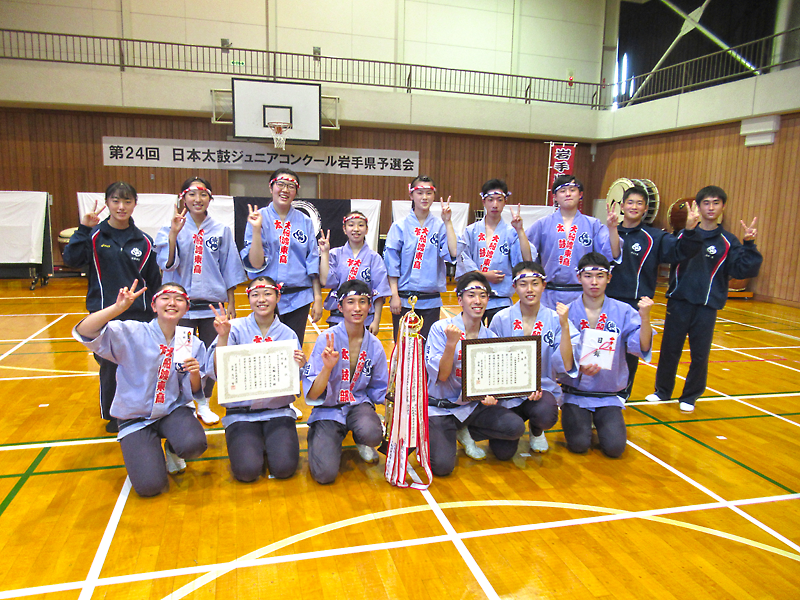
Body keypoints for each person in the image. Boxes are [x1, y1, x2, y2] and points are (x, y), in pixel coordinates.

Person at [72, 281, 209, 497]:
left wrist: (194, 373)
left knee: (194, 443)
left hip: (171, 411)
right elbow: (85, 331)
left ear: (186, 308)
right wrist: (117, 308)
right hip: (135, 417)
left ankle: (173, 448)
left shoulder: (190, 342)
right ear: (154, 306)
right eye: (165, 298)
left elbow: (194, 391)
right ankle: (146, 452)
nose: (172, 303)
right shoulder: (132, 331)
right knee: (150, 487)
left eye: (179, 299)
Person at [646, 186, 762, 412]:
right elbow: (668, 255)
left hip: (707, 306)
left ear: (723, 207)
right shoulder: (683, 235)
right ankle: (662, 391)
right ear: (698, 207)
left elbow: (742, 270)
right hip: (678, 302)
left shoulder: (728, 241)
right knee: (670, 349)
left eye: (715, 203)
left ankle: (690, 396)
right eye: (706, 203)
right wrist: (689, 230)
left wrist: (749, 244)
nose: (711, 207)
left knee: (700, 354)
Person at [63, 181, 162, 433]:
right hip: (105, 315)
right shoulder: (94, 235)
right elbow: (71, 260)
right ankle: (114, 416)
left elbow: (154, 281)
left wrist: (156, 312)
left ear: (135, 204)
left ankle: (144, 410)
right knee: (110, 367)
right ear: (107, 202)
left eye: (127, 201)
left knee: (141, 365)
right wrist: (83, 228)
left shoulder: (145, 241)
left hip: (139, 315)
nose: (121, 206)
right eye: (116, 201)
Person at [156, 177, 246, 425]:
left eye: (203, 194)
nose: (197, 199)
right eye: (192, 194)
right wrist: (173, 234)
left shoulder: (221, 230)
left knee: (210, 357)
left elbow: (229, 267)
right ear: (183, 198)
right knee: (182, 358)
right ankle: (184, 402)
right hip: (182, 309)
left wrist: (231, 302)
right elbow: (166, 264)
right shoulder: (170, 227)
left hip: (212, 307)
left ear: (210, 198)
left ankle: (204, 402)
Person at [425, 272, 526, 475]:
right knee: (443, 467)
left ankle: (466, 431)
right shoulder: (440, 328)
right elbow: (442, 376)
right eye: (471, 295)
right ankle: (446, 431)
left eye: (483, 295)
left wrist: (491, 394)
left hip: (471, 407)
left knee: (514, 426)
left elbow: (492, 380)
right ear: (460, 300)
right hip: (441, 408)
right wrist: (451, 344)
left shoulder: (490, 337)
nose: (477, 301)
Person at [606, 186, 702, 400]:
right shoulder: (608, 232)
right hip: (606, 301)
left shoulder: (655, 237)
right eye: (630, 202)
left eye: (639, 203)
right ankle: (597, 390)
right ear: (622, 206)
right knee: (603, 347)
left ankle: (622, 393)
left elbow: (681, 251)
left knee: (630, 351)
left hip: (635, 303)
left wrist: (689, 230)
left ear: (645, 209)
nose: (634, 207)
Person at [206, 277, 306, 483]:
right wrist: (223, 337)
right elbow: (218, 372)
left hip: (277, 410)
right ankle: (254, 442)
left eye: (267, 294)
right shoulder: (233, 328)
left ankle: (269, 441)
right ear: (248, 298)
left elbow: (294, 380)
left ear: (278, 297)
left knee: (285, 469)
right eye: (255, 295)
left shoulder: (288, 334)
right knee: (247, 471)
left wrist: (301, 365)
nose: (261, 299)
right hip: (241, 413)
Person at [560, 253, 653, 458]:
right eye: (588, 276)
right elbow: (558, 355)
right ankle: (576, 416)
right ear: (578, 277)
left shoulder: (624, 311)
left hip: (608, 395)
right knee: (579, 445)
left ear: (609, 278)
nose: (594, 282)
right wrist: (577, 367)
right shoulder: (567, 312)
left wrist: (645, 318)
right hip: (575, 393)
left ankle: (601, 420)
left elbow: (642, 346)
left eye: (600, 276)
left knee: (615, 448)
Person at [303, 279, 389, 484]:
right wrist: (327, 368)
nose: (357, 308)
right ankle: (321, 435)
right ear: (340, 307)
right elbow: (313, 394)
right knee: (324, 475)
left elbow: (379, 389)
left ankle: (362, 436)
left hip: (357, 404)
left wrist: (402, 400)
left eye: (362, 302)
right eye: (350, 302)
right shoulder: (326, 339)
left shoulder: (375, 345)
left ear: (370, 306)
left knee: (373, 433)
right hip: (328, 409)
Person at [488, 261, 579, 453]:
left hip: (541, 390)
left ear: (544, 285)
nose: (529, 289)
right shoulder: (501, 318)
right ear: (514, 286)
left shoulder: (555, 319)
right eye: (523, 284)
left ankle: (537, 430)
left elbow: (566, 364)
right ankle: (514, 425)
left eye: (535, 283)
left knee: (545, 413)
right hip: (508, 393)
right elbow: (490, 359)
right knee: (502, 453)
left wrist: (565, 327)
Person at [241, 168, 322, 344]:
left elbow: (312, 260)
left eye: (291, 186)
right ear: (271, 188)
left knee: (294, 348)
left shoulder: (305, 221)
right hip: (266, 297)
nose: (285, 189)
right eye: (281, 184)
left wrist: (317, 297)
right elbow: (255, 264)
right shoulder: (258, 217)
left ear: (296, 191)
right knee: (266, 349)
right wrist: (256, 229)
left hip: (299, 297)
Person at [384, 175, 462, 342]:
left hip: (430, 301)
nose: (424, 197)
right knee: (403, 349)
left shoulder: (440, 226)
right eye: (420, 193)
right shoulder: (399, 226)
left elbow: (454, 252)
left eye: (429, 193)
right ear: (411, 195)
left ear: (434, 196)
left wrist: (448, 222)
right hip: (404, 299)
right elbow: (392, 264)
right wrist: (394, 295)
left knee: (427, 348)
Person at [525, 175, 619, 310]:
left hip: (582, 294)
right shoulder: (542, 224)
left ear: (580, 195)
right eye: (563, 191)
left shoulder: (593, 225)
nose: (568, 194)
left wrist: (612, 228)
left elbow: (613, 253)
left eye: (572, 190)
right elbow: (526, 254)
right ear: (555, 197)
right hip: (548, 294)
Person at [457, 179, 532, 325]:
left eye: (499, 200)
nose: (495, 204)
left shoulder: (511, 232)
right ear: (484, 202)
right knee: (472, 336)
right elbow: (463, 259)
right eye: (490, 200)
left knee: (500, 337)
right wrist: (484, 275)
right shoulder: (471, 231)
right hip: (474, 297)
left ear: (505, 202)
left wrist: (520, 230)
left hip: (501, 300)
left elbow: (526, 260)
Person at [318, 210, 391, 334]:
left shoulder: (374, 258)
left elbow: (379, 292)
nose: (356, 229)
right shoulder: (335, 254)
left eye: (361, 225)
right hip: (338, 318)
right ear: (344, 229)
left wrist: (376, 321)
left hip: (365, 319)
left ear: (367, 230)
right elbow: (325, 281)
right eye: (351, 225)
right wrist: (325, 253)